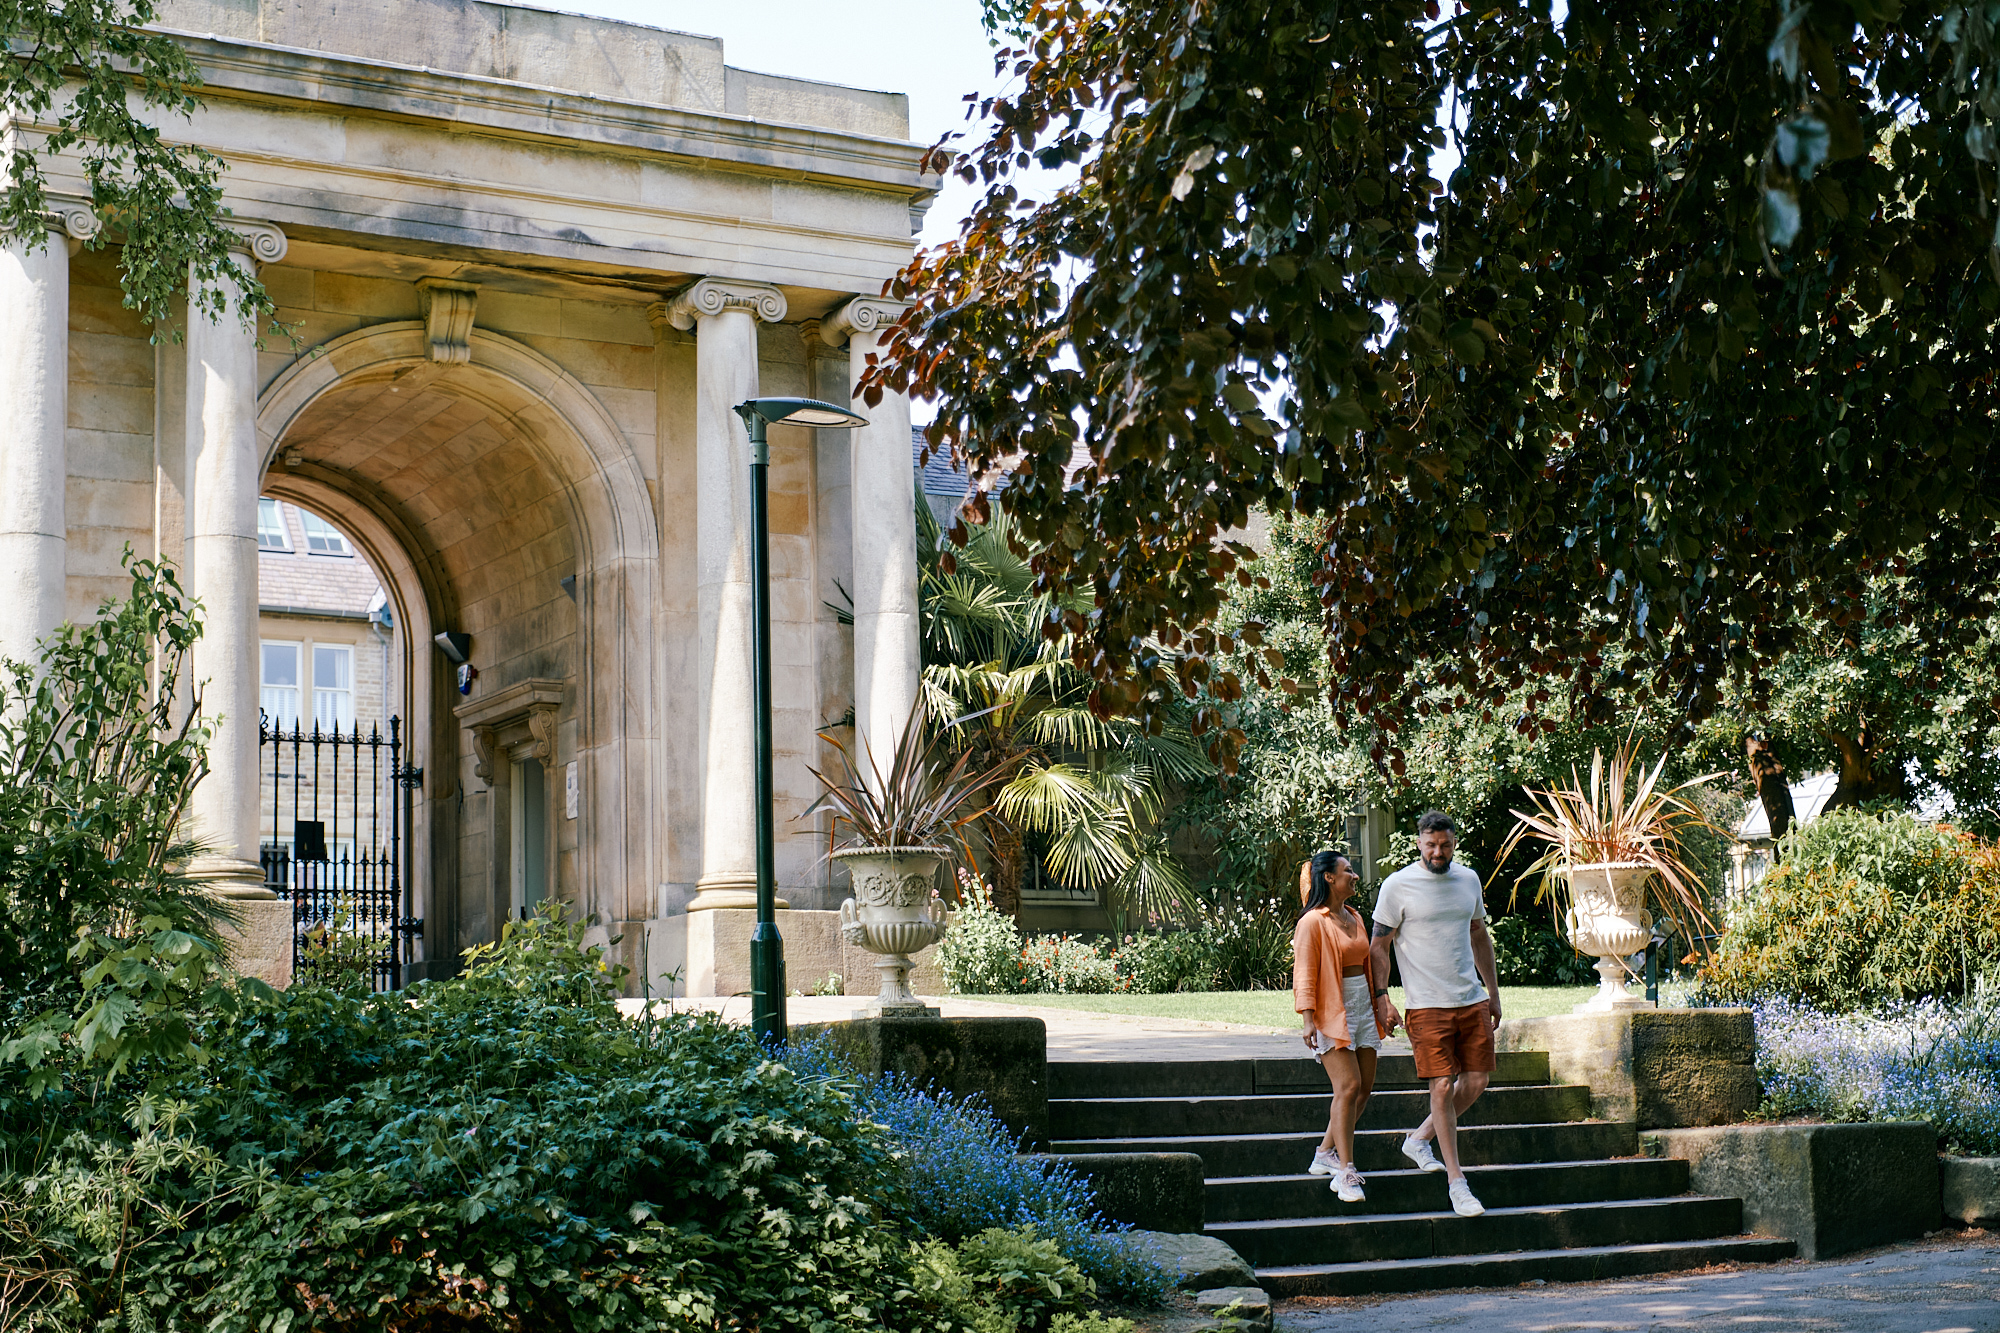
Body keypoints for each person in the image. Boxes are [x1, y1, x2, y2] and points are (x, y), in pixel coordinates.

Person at [1369, 810, 1502, 1219]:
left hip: (1471, 998)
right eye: (1430, 845)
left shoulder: (1469, 880)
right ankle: (1457, 1184)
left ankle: (1420, 1138)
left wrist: (1493, 992)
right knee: (1442, 1086)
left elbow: (1479, 934)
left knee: (1476, 1081)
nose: (1438, 852)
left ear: (1454, 843)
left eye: (1445, 845)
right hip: (1426, 1005)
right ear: (1418, 843)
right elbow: (1378, 946)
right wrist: (1382, 998)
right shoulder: (1398, 885)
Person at [1292, 848, 1383, 1203]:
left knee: (1362, 1091)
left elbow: (1367, 963)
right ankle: (1346, 1171)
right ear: (1329, 877)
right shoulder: (1312, 921)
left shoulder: (1356, 917)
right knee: (1347, 1087)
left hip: (1362, 1008)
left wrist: (1380, 1003)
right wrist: (1307, 1019)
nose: (1355, 875)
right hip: (1332, 1009)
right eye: (1348, 870)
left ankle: (1324, 1153)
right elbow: (1304, 974)